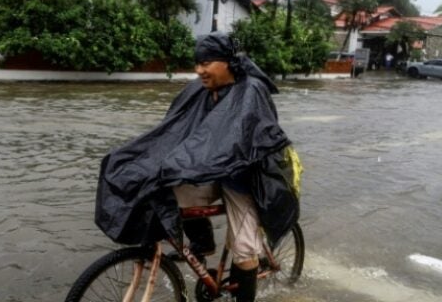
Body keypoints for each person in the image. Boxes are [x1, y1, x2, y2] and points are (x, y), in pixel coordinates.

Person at [95, 31, 301, 302]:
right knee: (160, 190)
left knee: (243, 250)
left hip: (247, 177)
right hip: (211, 169)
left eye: (206, 63)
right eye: (197, 63)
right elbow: (172, 131)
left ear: (228, 62)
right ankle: (202, 243)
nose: (199, 70)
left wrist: (191, 162)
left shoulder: (251, 91)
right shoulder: (199, 90)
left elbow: (238, 143)